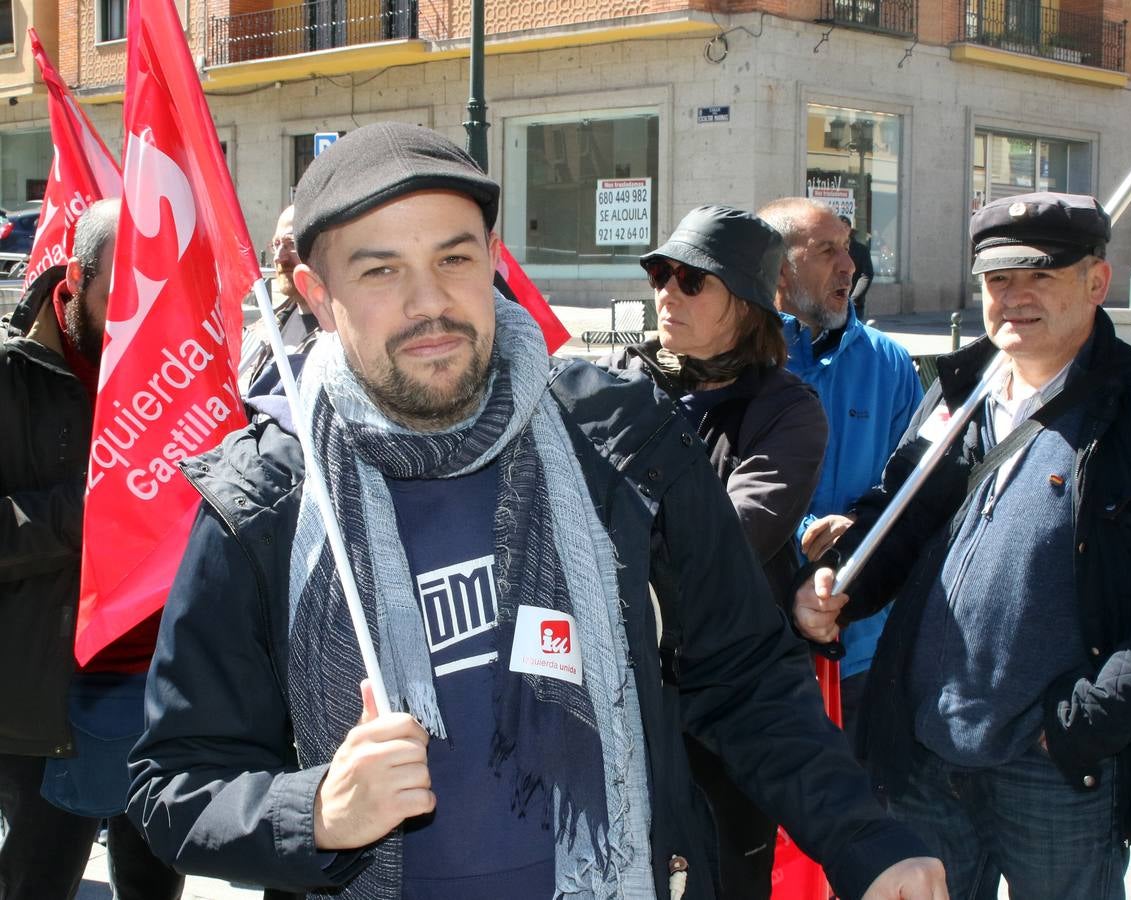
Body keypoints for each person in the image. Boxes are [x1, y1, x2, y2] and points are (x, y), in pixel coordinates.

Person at [126, 122, 946, 900]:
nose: (429, 302)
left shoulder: (620, 438)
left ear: (490, 259)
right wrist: (316, 814)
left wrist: (863, 838)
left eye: (454, 258)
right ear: (315, 290)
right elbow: (176, 781)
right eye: (379, 270)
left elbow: (742, 674)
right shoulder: (264, 503)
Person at [793, 192, 1131, 899]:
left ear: (1096, 283)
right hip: (924, 752)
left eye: (1039, 275)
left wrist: (1082, 725)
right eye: (995, 280)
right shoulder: (962, 391)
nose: (1012, 298)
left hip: (1056, 768)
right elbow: (899, 512)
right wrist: (839, 581)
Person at [606, 205, 828, 898]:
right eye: (659, 275)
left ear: (747, 303)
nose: (667, 292)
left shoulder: (787, 410)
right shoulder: (620, 382)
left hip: (727, 706)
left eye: (691, 280)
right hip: (625, 696)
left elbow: (724, 545)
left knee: (728, 877)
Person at [0, 199, 184, 900]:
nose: (142, 321)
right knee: (38, 882)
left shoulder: (185, 371)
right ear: (75, 278)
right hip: (46, 699)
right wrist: (90, 510)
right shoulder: (13, 376)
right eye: (124, 296)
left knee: (154, 881)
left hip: (165, 692)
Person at [759, 198, 922, 748]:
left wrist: (858, 527)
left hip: (863, 652)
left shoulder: (891, 364)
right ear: (779, 266)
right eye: (827, 249)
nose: (849, 265)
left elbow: (917, 486)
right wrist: (800, 530)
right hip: (760, 651)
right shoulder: (739, 358)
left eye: (848, 248)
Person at [238, 204, 320, 393]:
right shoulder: (269, 326)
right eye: (276, 245)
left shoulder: (345, 336)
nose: (278, 257)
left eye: (291, 244)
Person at [838, 215, 875, 322]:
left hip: (854, 304)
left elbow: (866, 275)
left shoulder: (861, 250)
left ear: (849, 230)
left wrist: (853, 299)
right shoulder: (830, 249)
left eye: (844, 228)